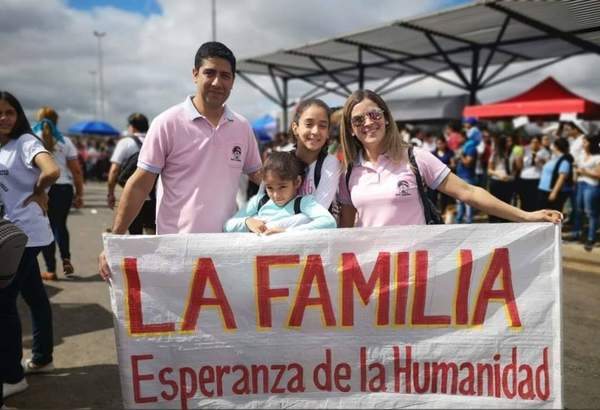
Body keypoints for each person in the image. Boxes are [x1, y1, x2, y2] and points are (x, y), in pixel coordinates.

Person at [99, 41, 262, 280]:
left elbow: (261, 176)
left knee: (221, 317)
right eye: (210, 73)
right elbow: (140, 184)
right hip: (177, 251)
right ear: (195, 74)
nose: (218, 82)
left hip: (227, 249)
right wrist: (115, 239)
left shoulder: (242, 126)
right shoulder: (167, 123)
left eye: (225, 75)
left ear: (233, 81)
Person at [337, 89, 562, 228]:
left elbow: (469, 192)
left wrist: (524, 216)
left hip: (415, 270)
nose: (368, 123)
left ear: (386, 119)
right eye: (358, 120)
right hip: (370, 274)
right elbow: (346, 231)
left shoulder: (416, 158)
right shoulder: (348, 173)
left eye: (374, 114)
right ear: (350, 129)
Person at [0, 92, 60, 404]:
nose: (4, 118)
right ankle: (42, 357)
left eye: (10, 112)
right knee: (34, 295)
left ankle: (12, 376)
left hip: (25, 235)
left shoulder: (25, 142)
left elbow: (51, 170)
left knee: (3, 303)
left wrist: (39, 191)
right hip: (11, 232)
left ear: (18, 114)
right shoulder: (3, 148)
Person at [257, 99, 341, 232]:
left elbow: (319, 212)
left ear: (328, 132)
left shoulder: (330, 163)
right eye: (309, 124)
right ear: (295, 128)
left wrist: (273, 226)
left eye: (323, 126)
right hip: (275, 243)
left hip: (316, 246)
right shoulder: (278, 160)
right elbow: (260, 203)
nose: (315, 131)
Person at [224, 151, 336, 233]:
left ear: (297, 182)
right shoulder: (259, 201)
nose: (276, 195)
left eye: (282, 187)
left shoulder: (303, 203)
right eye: (270, 188)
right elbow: (228, 226)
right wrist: (247, 222)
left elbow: (329, 222)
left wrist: (286, 232)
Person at [33, 107, 84, 281]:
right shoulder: (65, 142)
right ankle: (66, 259)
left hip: (43, 188)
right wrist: (80, 194)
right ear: (57, 120)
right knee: (60, 226)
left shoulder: (32, 138)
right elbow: (76, 171)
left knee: (46, 228)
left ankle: (50, 269)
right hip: (64, 188)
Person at [106, 113, 156, 235]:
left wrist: (111, 193)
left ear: (132, 127)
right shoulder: (155, 140)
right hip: (155, 196)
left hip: (131, 195)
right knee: (153, 234)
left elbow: (114, 170)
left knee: (134, 234)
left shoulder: (126, 142)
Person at [567, 133, 600, 251]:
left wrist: (584, 171)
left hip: (591, 186)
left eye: (585, 142)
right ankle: (576, 234)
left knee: (591, 213)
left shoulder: (597, 157)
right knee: (578, 210)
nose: (583, 144)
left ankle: (591, 238)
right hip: (580, 184)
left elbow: (598, 175)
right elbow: (576, 167)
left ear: (591, 143)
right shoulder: (581, 155)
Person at [537, 137, 573, 212]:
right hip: (543, 190)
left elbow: (561, 178)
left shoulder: (564, 160)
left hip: (551, 191)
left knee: (553, 214)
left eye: (552, 144)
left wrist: (554, 193)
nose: (550, 146)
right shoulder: (554, 157)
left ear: (556, 147)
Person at [487, 134, 518, 223]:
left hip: (508, 182)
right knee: (494, 204)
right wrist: (498, 174)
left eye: (510, 141)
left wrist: (512, 175)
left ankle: (505, 223)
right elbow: (489, 170)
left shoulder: (512, 153)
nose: (510, 143)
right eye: (508, 141)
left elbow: (515, 168)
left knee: (507, 205)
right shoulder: (495, 154)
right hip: (497, 182)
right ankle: (494, 222)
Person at [518, 136, 550, 212]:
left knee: (536, 201)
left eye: (536, 142)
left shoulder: (544, 152)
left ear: (539, 143)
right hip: (525, 178)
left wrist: (541, 161)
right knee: (525, 200)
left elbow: (548, 166)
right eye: (533, 142)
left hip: (537, 179)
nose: (535, 144)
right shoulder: (525, 150)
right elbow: (519, 165)